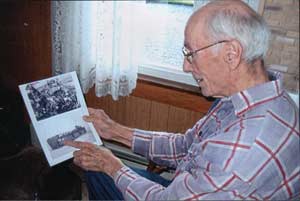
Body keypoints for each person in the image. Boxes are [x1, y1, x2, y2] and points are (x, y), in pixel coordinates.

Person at [65, 0, 300, 200]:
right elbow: (184, 147)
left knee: (101, 167)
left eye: (191, 54)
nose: (185, 66)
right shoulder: (246, 97)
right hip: (190, 188)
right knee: (97, 165)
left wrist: (112, 164)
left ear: (231, 54)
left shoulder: (243, 148)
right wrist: (115, 131)